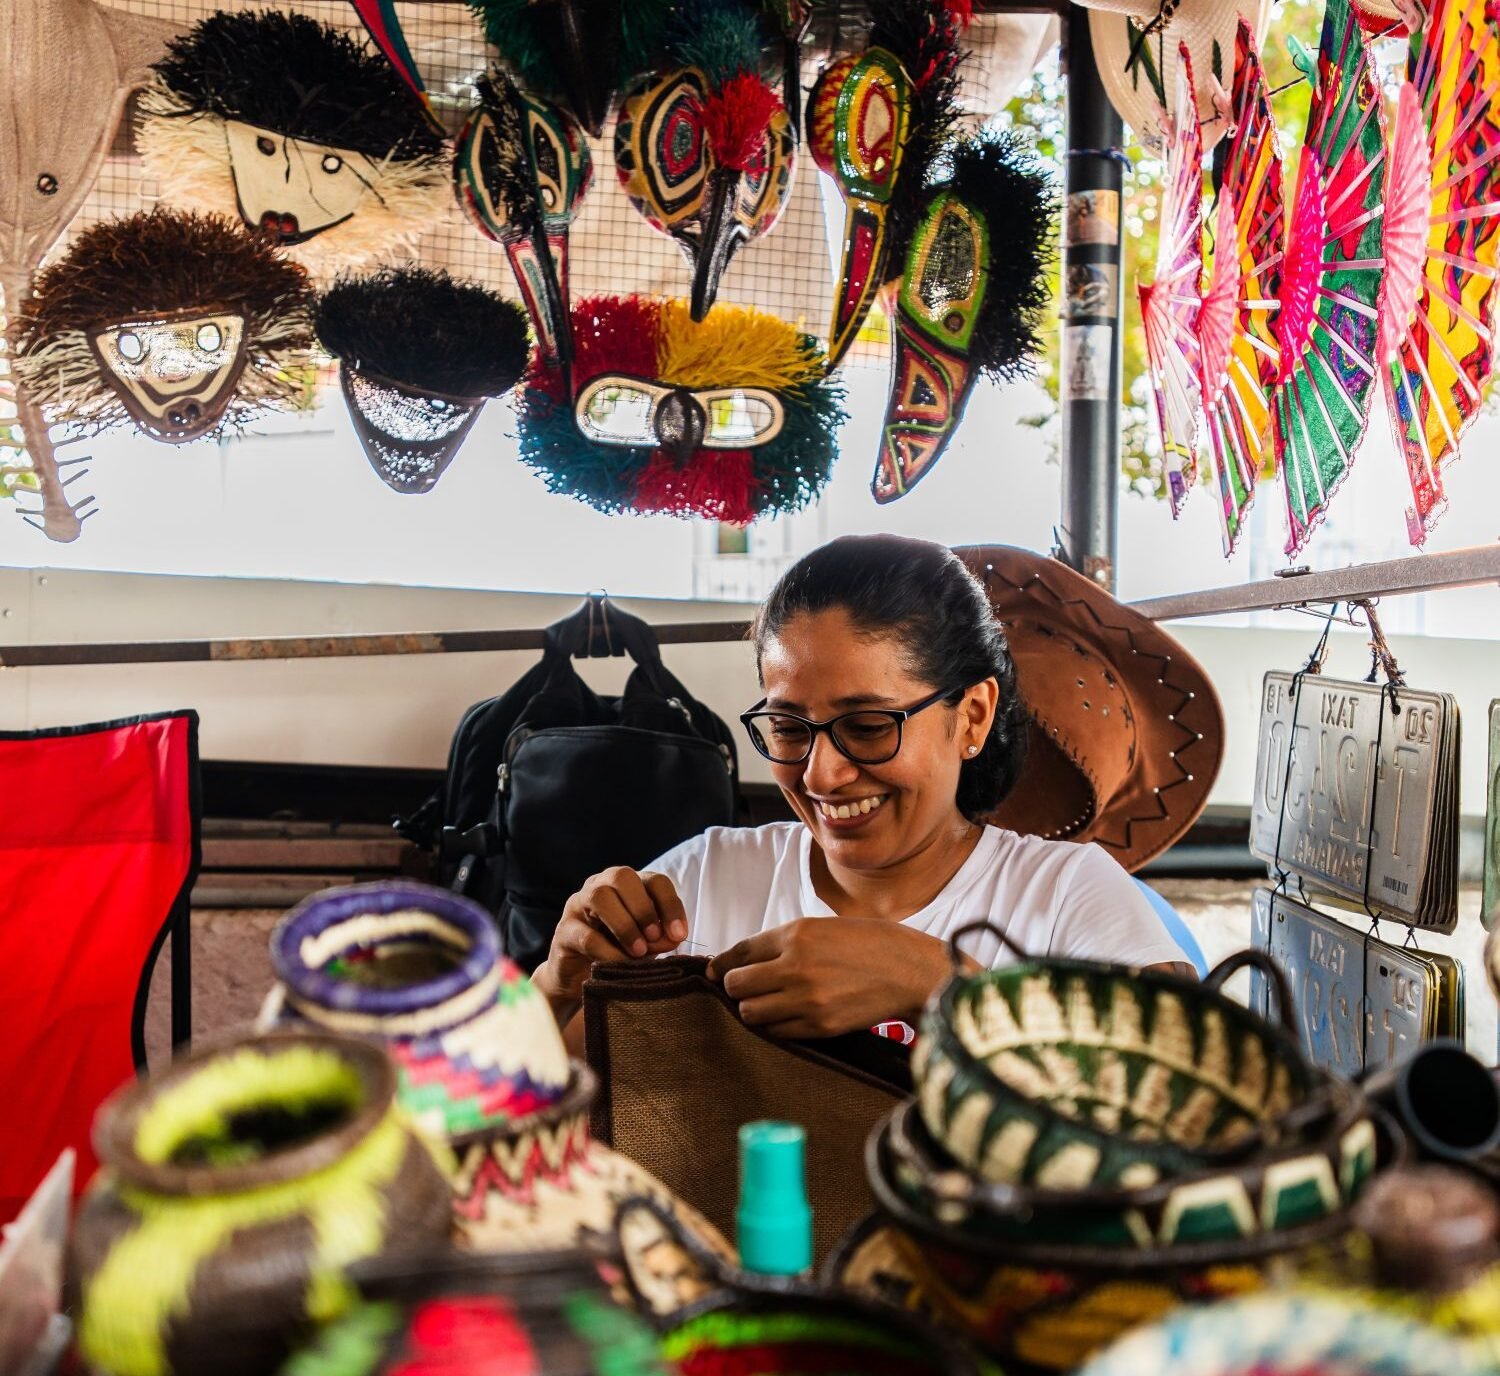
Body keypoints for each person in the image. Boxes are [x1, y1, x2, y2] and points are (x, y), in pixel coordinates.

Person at [532, 535, 1204, 1041]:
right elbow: (513, 1109)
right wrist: (556, 986)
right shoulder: (707, 882)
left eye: (868, 726)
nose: (821, 774)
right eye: (789, 728)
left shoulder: (1065, 898)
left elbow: (1193, 1104)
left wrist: (940, 983)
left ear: (972, 717)